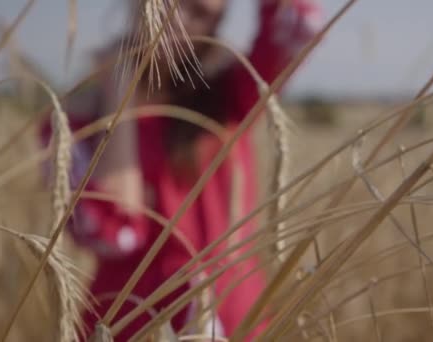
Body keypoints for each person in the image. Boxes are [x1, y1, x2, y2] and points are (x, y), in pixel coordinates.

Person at [40, 0, 322, 340]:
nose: (177, 19)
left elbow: (299, 23)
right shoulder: (74, 119)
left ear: (216, 28)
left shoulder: (231, 95)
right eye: (170, 3)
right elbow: (114, 232)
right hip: (129, 324)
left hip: (231, 321)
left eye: (200, 12)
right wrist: (119, 93)